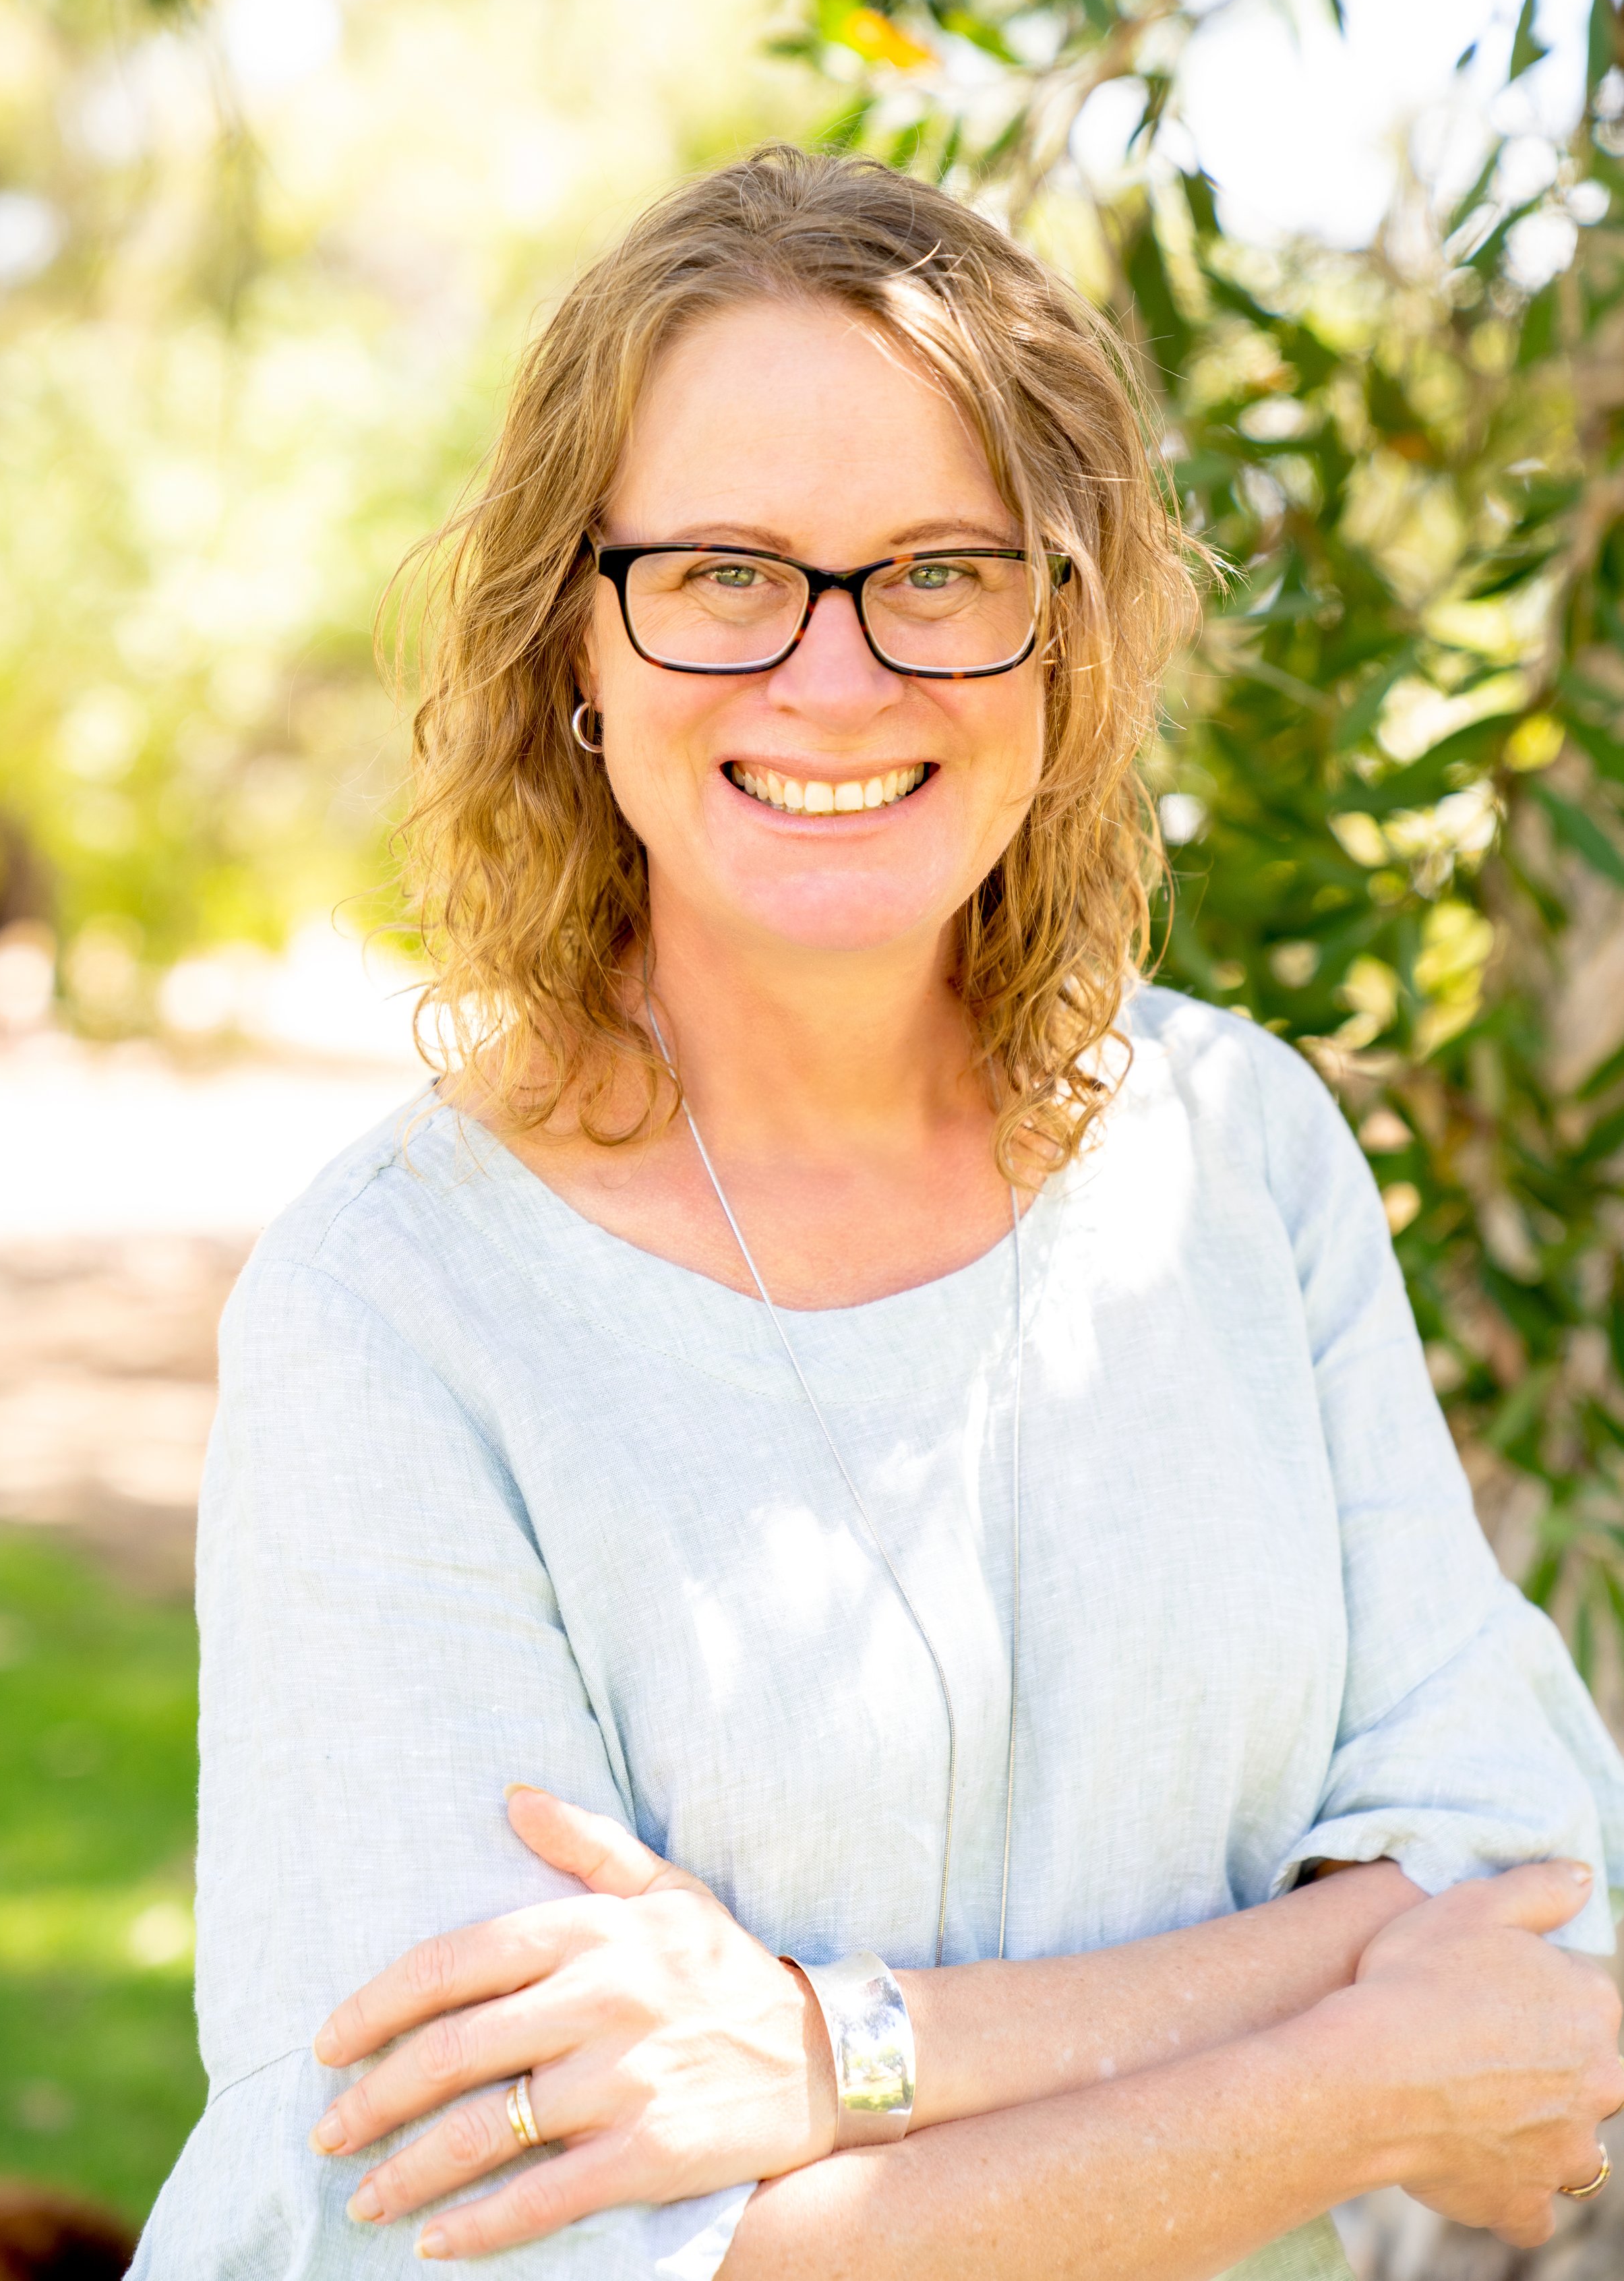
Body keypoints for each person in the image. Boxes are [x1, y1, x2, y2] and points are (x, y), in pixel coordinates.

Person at [130, 146, 1624, 2281]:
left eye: (936, 570)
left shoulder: (1242, 1154)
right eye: (723, 571)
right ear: (579, 633)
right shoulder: (393, 1314)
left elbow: (1518, 1885)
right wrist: (1350, 2076)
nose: (832, 679)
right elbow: (466, 2224)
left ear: (1064, 637)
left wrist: (840, 2061)